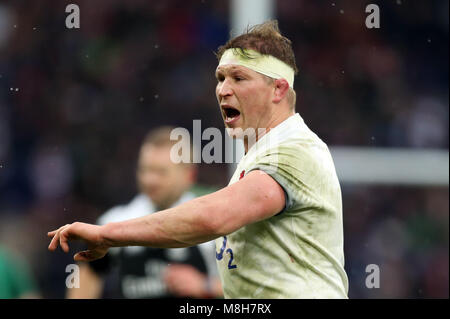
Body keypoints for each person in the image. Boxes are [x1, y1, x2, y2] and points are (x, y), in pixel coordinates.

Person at [48, 20, 349, 298]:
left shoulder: (293, 150)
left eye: (238, 78)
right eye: (220, 78)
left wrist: (107, 235)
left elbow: (213, 218)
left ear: (279, 88)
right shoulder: (257, 159)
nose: (222, 90)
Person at [66, 127, 222, 299]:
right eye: (145, 170)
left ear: (189, 175)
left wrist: (205, 285)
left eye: (160, 172)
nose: (150, 180)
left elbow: (249, 287)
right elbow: (86, 275)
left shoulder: (214, 219)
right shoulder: (115, 221)